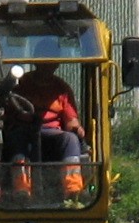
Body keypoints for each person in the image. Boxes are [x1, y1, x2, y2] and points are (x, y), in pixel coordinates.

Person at [7, 62, 86, 194]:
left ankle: (73, 189)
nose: (47, 67)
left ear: (56, 66)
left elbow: (71, 119)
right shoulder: (21, 84)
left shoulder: (61, 88)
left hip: (52, 131)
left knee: (71, 139)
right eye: (44, 64)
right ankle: (22, 188)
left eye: (51, 64)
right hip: (24, 129)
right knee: (16, 138)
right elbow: (8, 112)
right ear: (36, 63)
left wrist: (76, 128)